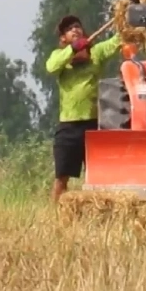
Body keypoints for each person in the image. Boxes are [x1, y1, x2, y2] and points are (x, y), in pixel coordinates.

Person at [44, 14, 122, 202]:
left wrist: (123, 19)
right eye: (70, 29)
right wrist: (73, 48)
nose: (75, 30)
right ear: (63, 38)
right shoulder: (60, 57)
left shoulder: (96, 53)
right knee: (61, 179)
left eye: (77, 27)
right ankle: (54, 216)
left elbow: (116, 41)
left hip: (93, 124)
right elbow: (51, 67)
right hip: (68, 127)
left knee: (94, 176)